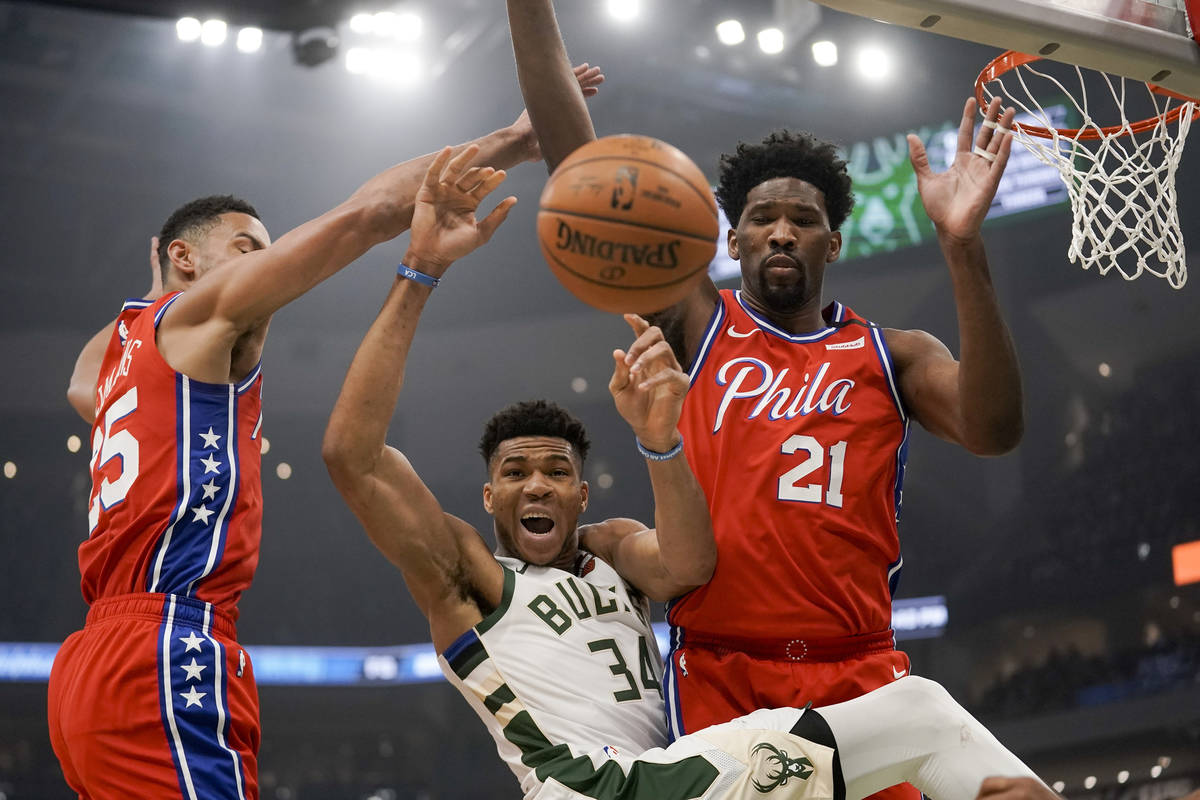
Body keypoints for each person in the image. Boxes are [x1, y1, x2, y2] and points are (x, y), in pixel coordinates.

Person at [320, 139, 1054, 800]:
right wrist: (421, 268)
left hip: (688, 761)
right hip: (615, 779)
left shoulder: (614, 557)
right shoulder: (470, 576)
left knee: (920, 721)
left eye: (556, 472)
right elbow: (354, 457)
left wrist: (661, 443)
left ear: (584, 492)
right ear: (486, 495)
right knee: (923, 715)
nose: (537, 485)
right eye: (515, 474)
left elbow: (690, 563)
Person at [505, 4, 1024, 800]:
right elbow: (584, 175)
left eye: (803, 220)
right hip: (723, 671)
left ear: (832, 243)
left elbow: (994, 429)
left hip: (861, 668)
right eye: (762, 219)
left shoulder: (894, 354)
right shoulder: (696, 325)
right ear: (733, 240)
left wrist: (962, 247)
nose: (782, 232)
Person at [47, 72, 602, 800]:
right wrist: (513, 141)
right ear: (185, 258)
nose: (265, 263)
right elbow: (367, 214)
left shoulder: (117, 362)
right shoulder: (196, 320)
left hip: (90, 662)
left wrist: (157, 282)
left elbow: (77, 383)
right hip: (166, 644)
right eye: (247, 247)